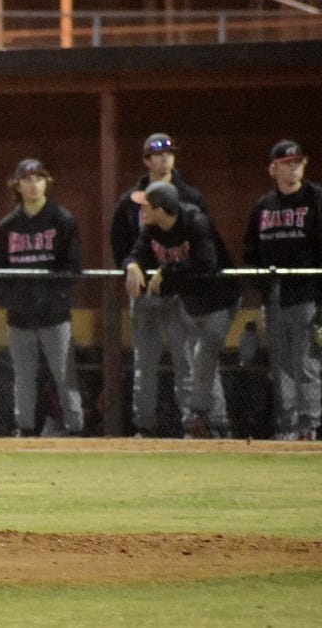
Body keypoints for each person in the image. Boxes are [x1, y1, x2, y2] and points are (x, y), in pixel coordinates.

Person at [110, 132, 229, 437]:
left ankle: (196, 424)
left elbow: (206, 255)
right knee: (144, 365)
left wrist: (171, 273)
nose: (165, 159)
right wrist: (131, 266)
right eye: (157, 154)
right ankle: (144, 427)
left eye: (169, 154)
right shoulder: (132, 201)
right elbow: (126, 247)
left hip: (181, 294)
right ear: (146, 159)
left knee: (186, 362)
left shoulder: (190, 200)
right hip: (147, 294)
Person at [124, 181, 240, 439]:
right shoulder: (152, 228)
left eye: (147, 205)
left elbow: (206, 263)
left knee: (203, 355)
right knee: (195, 359)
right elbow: (136, 254)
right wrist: (132, 265)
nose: (142, 210)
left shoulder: (195, 222)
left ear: (161, 209)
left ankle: (213, 423)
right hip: (192, 303)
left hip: (220, 299)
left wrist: (167, 271)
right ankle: (204, 423)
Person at [0, 158, 85, 437]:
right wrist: (13, 300)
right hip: (19, 317)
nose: (33, 185)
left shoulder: (63, 220)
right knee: (23, 376)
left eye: (38, 179)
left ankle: (75, 428)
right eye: (27, 179)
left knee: (65, 375)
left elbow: (72, 267)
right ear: (17, 185)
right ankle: (26, 428)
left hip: (54, 315)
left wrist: (54, 298)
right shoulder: (8, 225)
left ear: (47, 183)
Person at [243, 140, 322, 441]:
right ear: (273, 168)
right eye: (287, 163)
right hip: (275, 298)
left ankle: (308, 425)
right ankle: (287, 425)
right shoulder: (264, 206)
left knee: (306, 363)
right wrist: (263, 287)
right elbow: (250, 251)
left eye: (298, 162)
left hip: (307, 296)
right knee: (281, 366)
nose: (294, 167)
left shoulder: (316, 199)